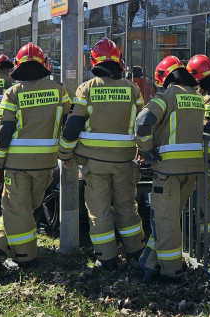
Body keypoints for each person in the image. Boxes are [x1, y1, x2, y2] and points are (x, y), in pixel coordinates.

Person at [0, 43, 71, 271]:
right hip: (46, 165)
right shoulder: (59, 90)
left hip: (16, 164)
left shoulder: (13, 93)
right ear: (44, 65)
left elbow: (2, 133)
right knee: (24, 208)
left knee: (16, 208)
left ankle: (25, 258)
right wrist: (66, 153)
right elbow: (68, 124)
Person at [58, 39, 146, 271]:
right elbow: (142, 124)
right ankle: (136, 253)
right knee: (127, 206)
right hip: (125, 161)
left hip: (94, 163)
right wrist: (144, 150)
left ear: (93, 61)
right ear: (119, 60)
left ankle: (106, 259)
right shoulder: (133, 88)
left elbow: (74, 124)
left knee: (99, 210)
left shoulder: (87, 88)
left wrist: (65, 154)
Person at [134, 56, 204, 282]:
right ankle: (148, 264)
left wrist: (146, 150)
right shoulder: (197, 97)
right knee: (169, 220)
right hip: (192, 170)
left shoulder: (167, 96)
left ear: (164, 77)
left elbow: (143, 122)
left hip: (167, 170)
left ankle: (170, 272)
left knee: (164, 221)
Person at [186, 54, 210, 243]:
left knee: (204, 198)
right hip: (202, 154)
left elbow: (206, 126)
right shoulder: (204, 95)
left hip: (209, 155)